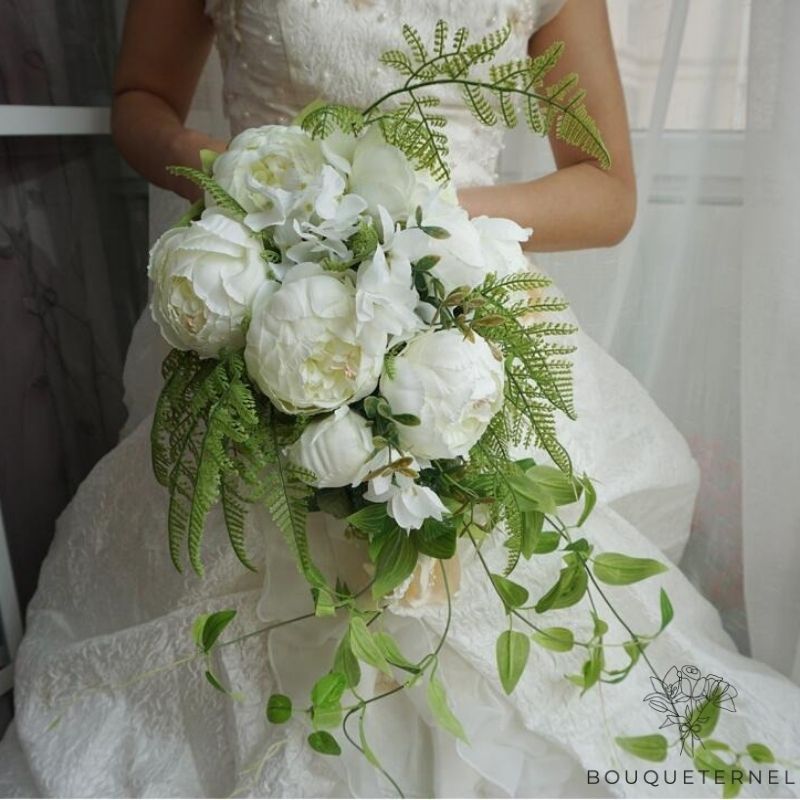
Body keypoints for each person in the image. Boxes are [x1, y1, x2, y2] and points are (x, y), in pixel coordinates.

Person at [1, 1, 798, 797]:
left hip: (467, 314)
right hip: (270, 297)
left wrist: (421, 225)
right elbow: (142, 97)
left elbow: (607, 189)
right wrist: (236, 177)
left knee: (523, 610)